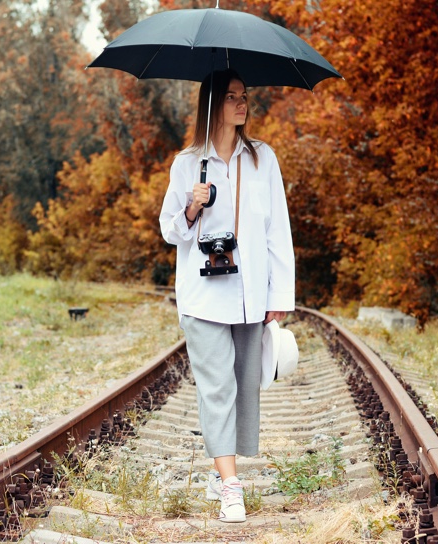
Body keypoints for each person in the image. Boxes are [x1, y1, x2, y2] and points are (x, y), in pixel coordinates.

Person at [159, 69, 295, 523]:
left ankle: (222, 468)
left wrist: (281, 294)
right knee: (217, 386)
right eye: (233, 97)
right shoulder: (187, 163)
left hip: (249, 294)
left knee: (245, 387)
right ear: (213, 104)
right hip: (202, 296)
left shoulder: (262, 158)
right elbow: (170, 230)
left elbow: (278, 230)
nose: (242, 104)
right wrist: (194, 204)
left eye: (244, 96)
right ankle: (231, 487)